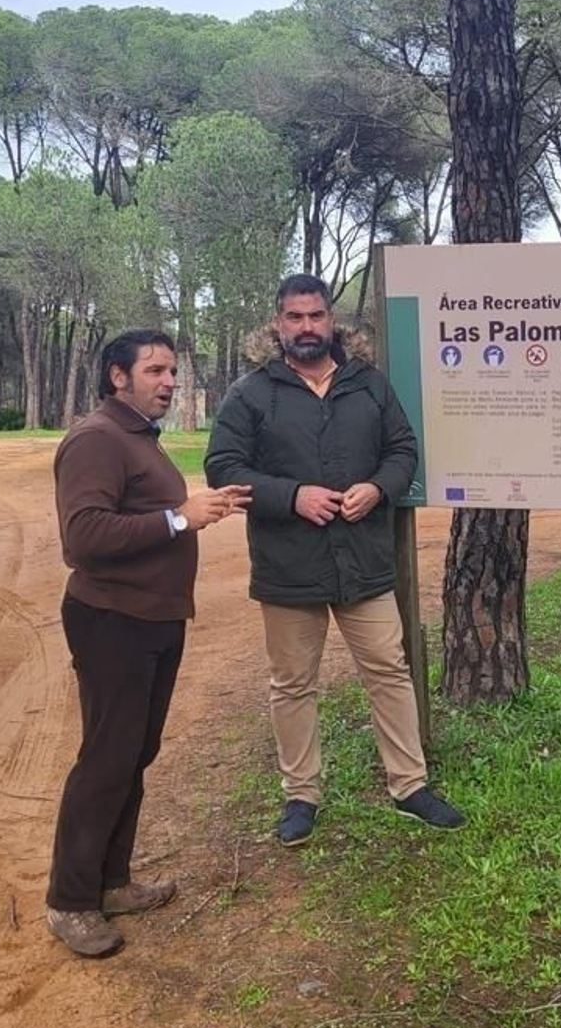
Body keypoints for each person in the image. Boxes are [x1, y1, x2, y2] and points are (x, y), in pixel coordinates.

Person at [204, 274, 465, 847]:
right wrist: (291, 496)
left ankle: (410, 785)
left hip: (363, 560)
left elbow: (403, 450)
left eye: (316, 316)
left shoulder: (367, 386)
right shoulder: (251, 393)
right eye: (294, 318)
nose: (306, 327)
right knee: (292, 684)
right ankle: (301, 794)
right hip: (288, 564)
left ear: (331, 320)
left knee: (389, 670)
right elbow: (223, 467)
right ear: (278, 324)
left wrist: (378, 488)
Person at [46, 330, 251, 957]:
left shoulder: (137, 438)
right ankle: (70, 901)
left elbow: (153, 514)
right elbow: (82, 537)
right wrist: (178, 517)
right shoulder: (96, 440)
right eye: (155, 371)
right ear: (118, 377)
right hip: (112, 619)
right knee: (107, 757)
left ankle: (112, 880)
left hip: (154, 618)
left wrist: (198, 508)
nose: (168, 382)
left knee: (135, 751)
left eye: (172, 372)